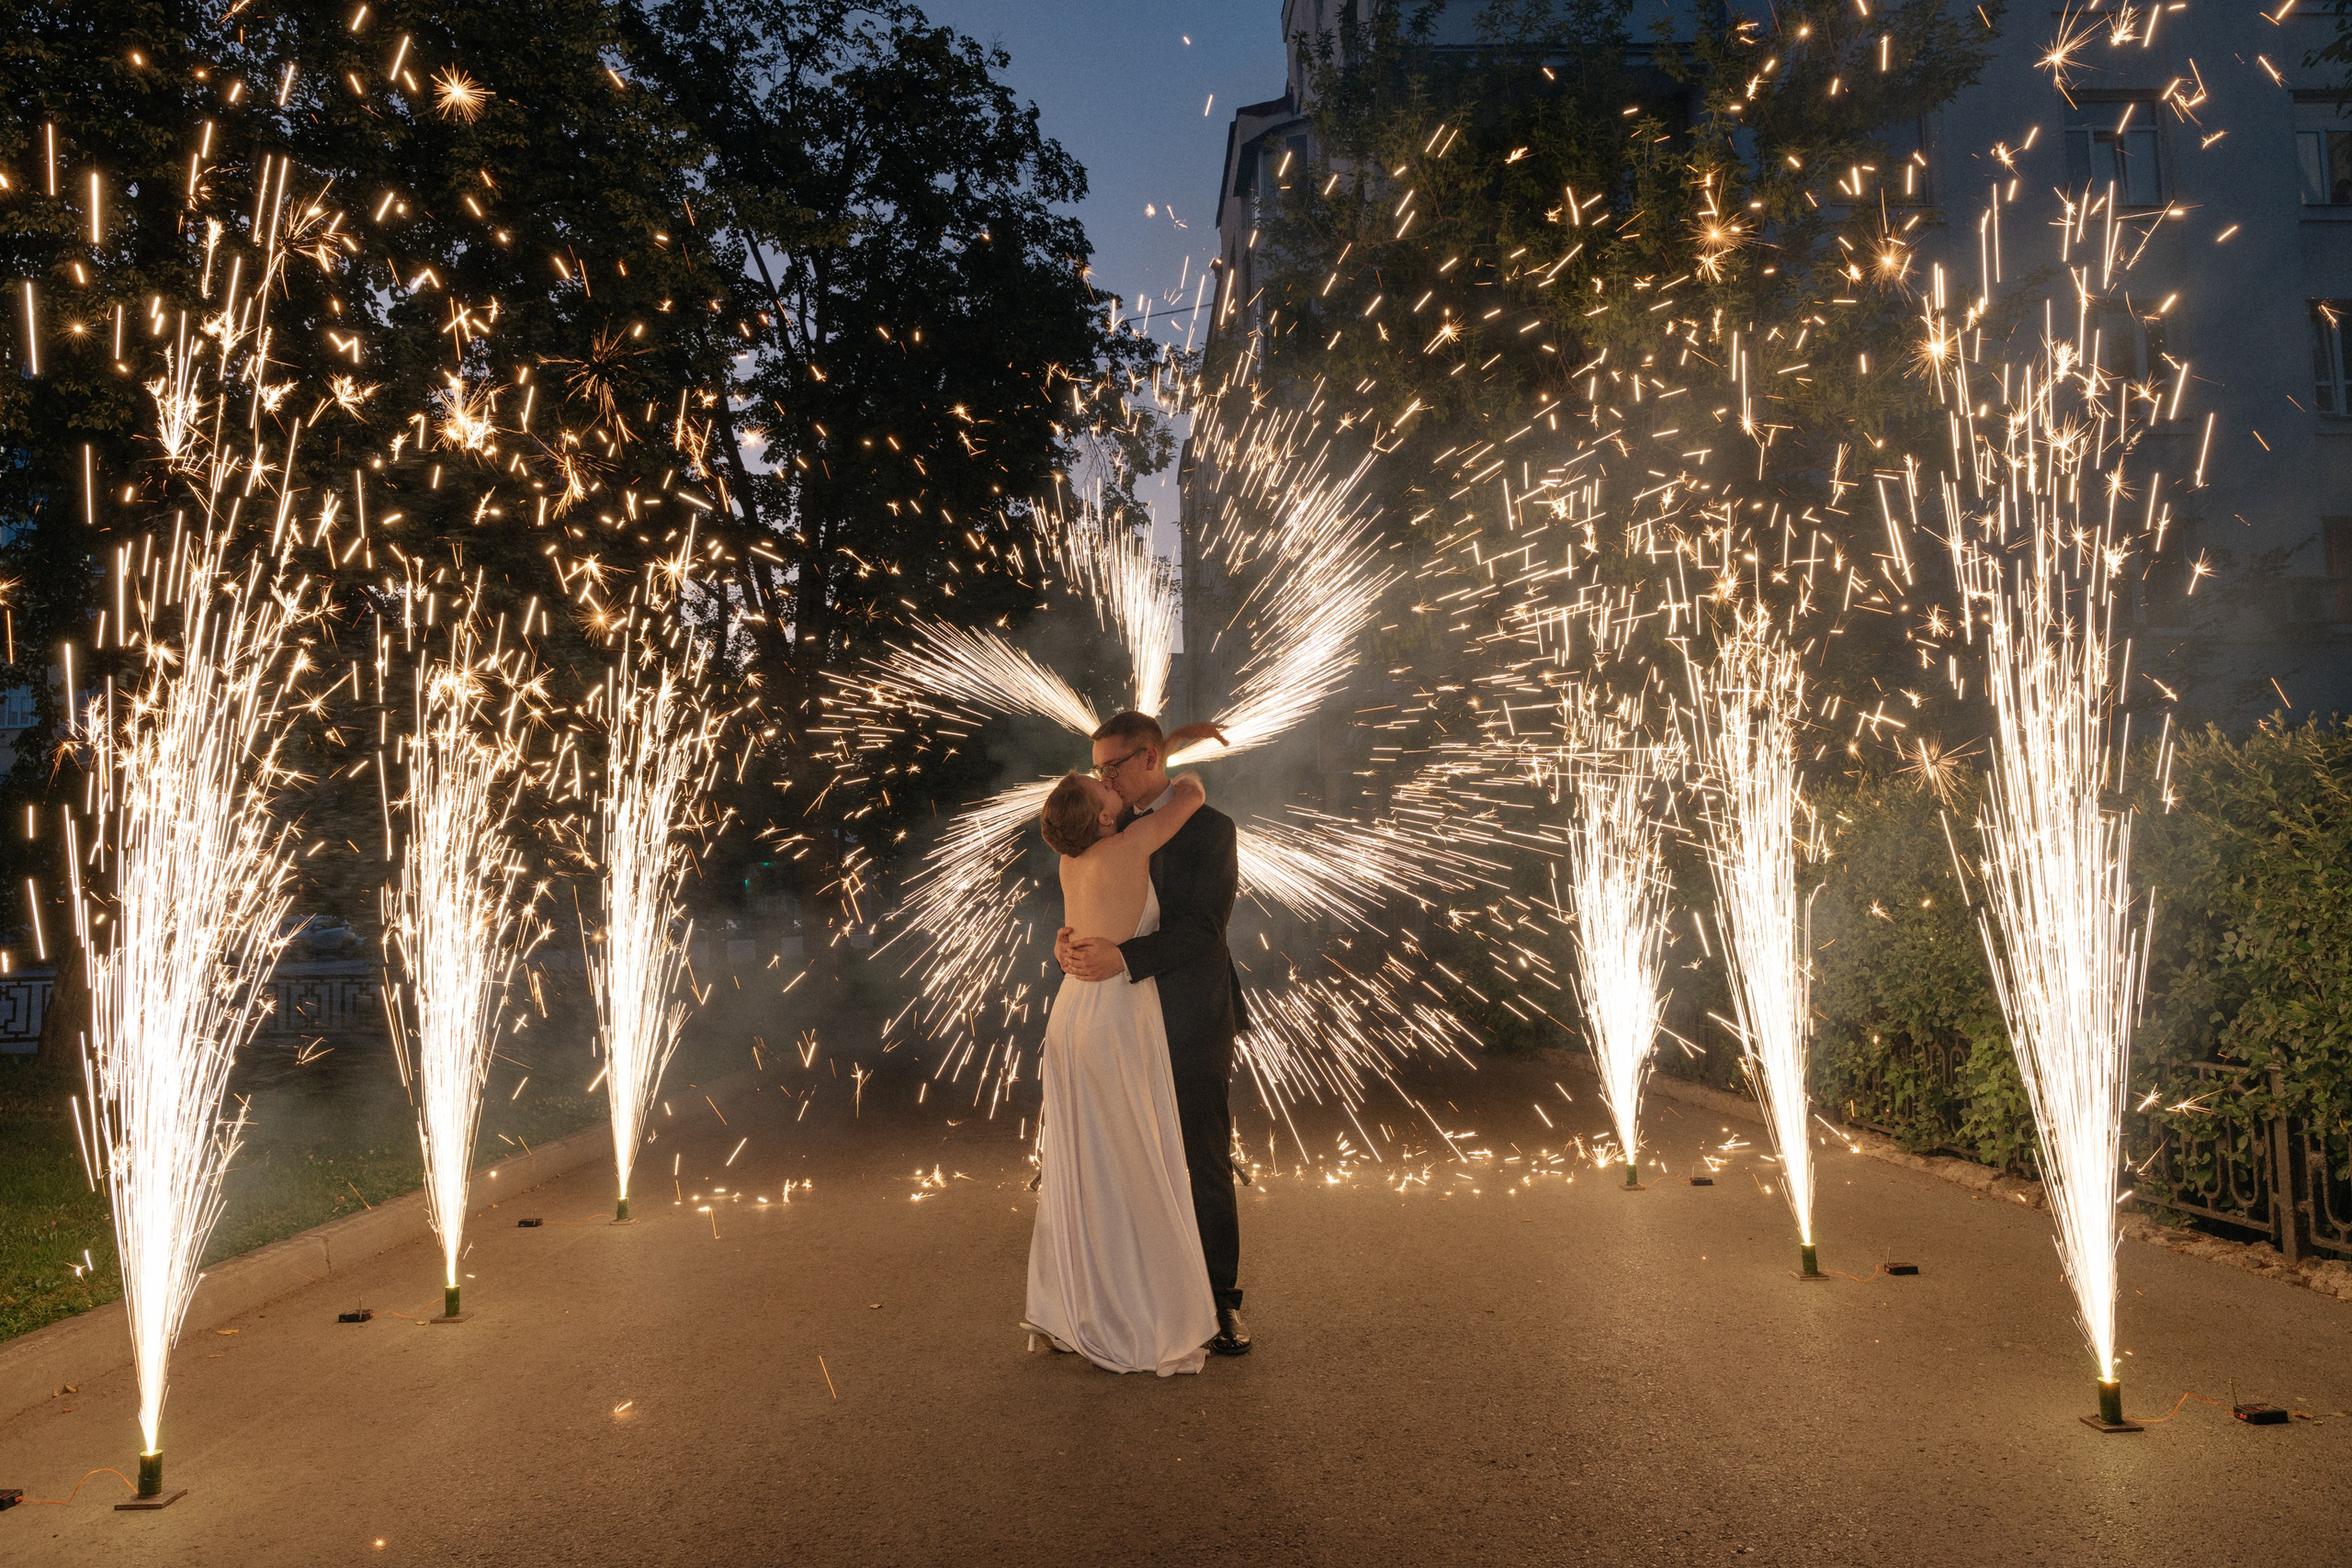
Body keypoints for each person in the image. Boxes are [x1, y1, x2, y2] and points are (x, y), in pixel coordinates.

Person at [1054, 712, 1251, 1359]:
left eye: (1111, 766)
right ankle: (1133, 1296)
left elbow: (1204, 929)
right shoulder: (1106, 825)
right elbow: (1092, 905)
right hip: (1116, 1021)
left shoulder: (1211, 829)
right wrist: (1071, 943)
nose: (1102, 776)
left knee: (1201, 1157)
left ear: (1146, 759)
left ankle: (1220, 1301)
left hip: (1191, 1017)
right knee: (1125, 1159)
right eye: (1098, 768)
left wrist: (1125, 959)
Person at [1023, 759, 1216, 1374]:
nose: (1107, 778)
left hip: (1070, 1014)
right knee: (1138, 1156)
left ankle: (1073, 1305)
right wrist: (1164, 764)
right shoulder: (1131, 843)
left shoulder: (1071, 860)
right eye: (1102, 784)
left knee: (1080, 1164)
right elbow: (1190, 792)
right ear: (1105, 816)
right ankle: (1146, 1310)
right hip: (1114, 1015)